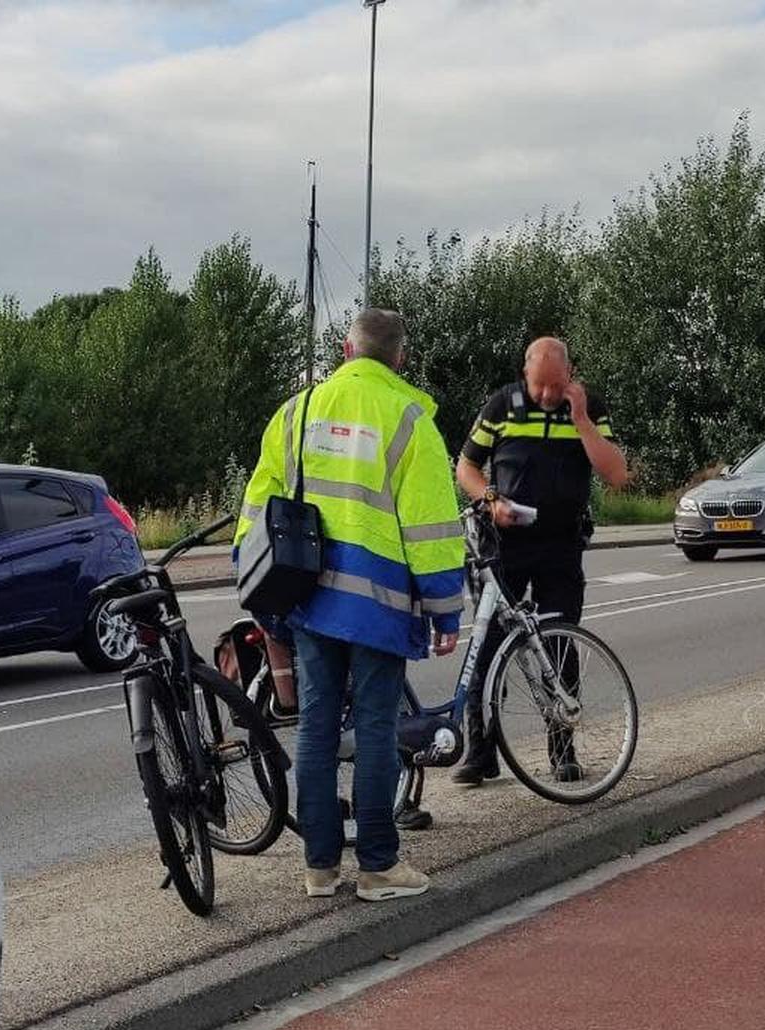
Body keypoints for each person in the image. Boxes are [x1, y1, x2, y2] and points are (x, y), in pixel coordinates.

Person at [236, 309, 466, 902]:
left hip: (309, 598)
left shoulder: (297, 411)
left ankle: (318, 869)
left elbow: (257, 506)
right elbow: (431, 528)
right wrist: (445, 610)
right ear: (400, 359)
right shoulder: (411, 420)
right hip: (380, 606)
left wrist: (257, 589)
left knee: (314, 729)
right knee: (375, 730)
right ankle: (378, 866)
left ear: (346, 349)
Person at [451, 336, 629, 787]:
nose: (548, 396)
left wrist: (582, 419)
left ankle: (562, 750)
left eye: (556, 385)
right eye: (539, 387)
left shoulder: (589, 407)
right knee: (488, 646)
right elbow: (466, 468)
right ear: (524, 374)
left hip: (561, 545)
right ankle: (480, 752)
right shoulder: (502, 406)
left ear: (570, 375)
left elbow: (616, 474)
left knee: (560, 645)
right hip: (506, 545)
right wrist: (490, 499)